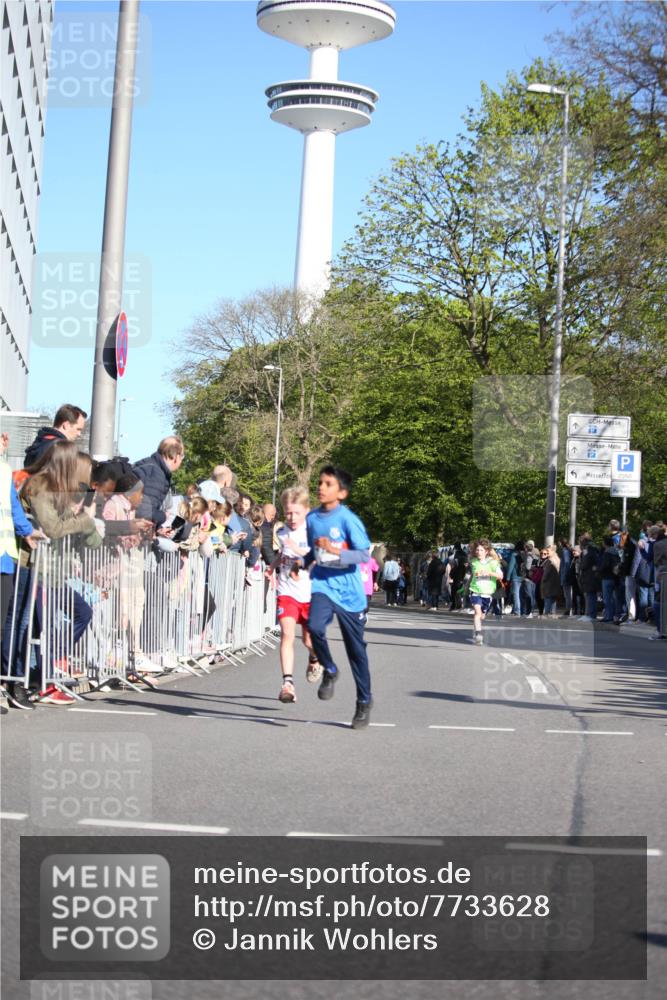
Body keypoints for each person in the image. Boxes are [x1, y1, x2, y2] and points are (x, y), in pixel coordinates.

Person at [304, 465, 373, 729]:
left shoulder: (348, 520)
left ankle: (364, 702)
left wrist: (334, 549)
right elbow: (313, 549)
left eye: (328, 484)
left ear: (341, 493)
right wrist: (302, 563)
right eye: (320, 482)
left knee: (356, 652)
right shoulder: (311, 518)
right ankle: (330, 669)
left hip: (350, 593)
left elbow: (363, 555)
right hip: (323, 584)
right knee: (315, 627)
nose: (321, 487)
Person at [0, 433, 46, 709]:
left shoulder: (4, 470)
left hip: (5, 556)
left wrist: (27, 532)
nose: (5, 440)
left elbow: (13, 507)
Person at [265, 486, 321, 704]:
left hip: (310, 594)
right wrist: (272, 565)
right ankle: (287, 683)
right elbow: (282, 554)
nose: (292, 517)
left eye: (296, 512)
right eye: (288, 512)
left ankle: (315, 658)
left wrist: (297, 550)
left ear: (306, 511)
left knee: (309, 639)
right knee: (287, 634)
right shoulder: (281, 532)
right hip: (287, 592)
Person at [134, 436, 185, 532]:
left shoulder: (146, 465)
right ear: (176, 457)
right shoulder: (156, 475)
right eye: (182, 457)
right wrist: (163, 516)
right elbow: (144, 514)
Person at [469, 539, 503, 645]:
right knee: (477, 613)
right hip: (475, 591)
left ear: (486, 551)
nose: (478, 552)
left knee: (482, 615)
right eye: (477, 550)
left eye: (481, 550)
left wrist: (489, 573)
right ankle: (478, 634)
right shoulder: (473, 561)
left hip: (487, 593)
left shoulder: (493, 563)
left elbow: (500, 576)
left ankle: (476, 630)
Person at [540, 545, 561, 617]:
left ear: (553, 551)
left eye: (548, 551)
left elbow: (546, 573)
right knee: (553, 598)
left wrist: (543, 581)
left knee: (548, 597)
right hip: (556, 581)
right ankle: (552, 612)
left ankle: (547, 612)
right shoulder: (557, 559)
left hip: (549, 582)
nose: (547, 553)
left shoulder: (550, 561)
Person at [359, 550, 379, 617]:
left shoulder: (371, 561)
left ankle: (363, 615)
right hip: (356, 588)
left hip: (367, 588)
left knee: (366, 608)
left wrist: (375, 582)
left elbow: (376, 570)